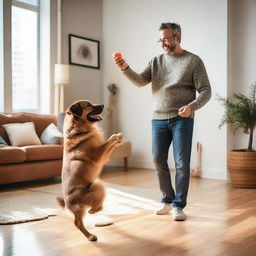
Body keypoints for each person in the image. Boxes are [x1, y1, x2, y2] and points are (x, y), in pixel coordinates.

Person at [113, 22, 211, 221]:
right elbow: (140, 80)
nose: (163, 43)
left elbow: (206, 91)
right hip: (158, 118)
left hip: (182, 119)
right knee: (158, 159)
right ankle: (167, 199)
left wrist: (192, 106)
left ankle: (179, 205)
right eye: (160, 39)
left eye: (166, 39)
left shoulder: (193, 61)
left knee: (182, 163)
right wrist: (125, 67)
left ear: (178, 38)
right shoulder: (156, 61)